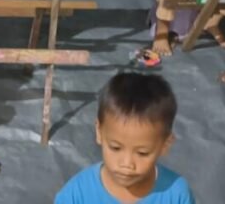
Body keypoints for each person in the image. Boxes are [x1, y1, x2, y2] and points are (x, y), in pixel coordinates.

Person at [55, 73, 194, 204]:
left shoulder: (177, 195)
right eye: (115, 148)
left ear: (165, 144)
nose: (127, 164)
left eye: (142, 153)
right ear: (99, 132)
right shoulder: (75, 196)